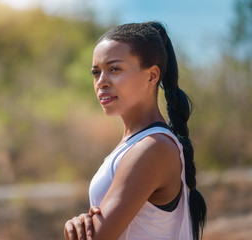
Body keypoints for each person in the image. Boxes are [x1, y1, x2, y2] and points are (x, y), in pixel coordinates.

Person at [63, 22, 207, 240]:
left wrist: (73, 232)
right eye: (96, 72)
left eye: (114, 69)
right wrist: (77, 225)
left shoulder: (152, 148)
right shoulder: (136, 145)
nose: (101, 82)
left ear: (151, 75)